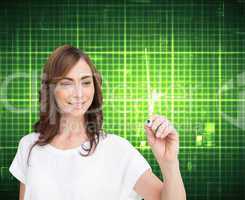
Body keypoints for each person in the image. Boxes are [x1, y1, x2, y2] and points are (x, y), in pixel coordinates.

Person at [9, 45, 186, 200]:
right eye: (67, 83)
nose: (79, 93)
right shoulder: (29, 146)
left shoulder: (116, 149)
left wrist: (168, 163)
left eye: (86, 82)